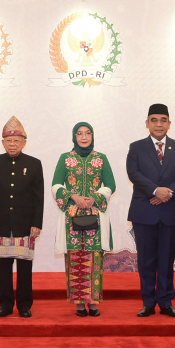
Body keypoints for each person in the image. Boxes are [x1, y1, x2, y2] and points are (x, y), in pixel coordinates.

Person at [126, 104, 175, 318]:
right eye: (154, 120)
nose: (158, 124)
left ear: (169, 124)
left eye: (163, 120)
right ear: (147, 124)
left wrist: (167, 192)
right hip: (144, 212)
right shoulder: (136, 147)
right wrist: (155, 190)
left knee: (166, 260)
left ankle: (165, 302)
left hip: (171, 212)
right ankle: (148, 303)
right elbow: (134, 173)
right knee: (146, 260)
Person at [52, 122, 116, 317]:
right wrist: (74, 197)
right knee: (75, 259)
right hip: (71, 216)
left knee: (95, 258)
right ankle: (79, 303)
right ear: (74, 136)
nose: (84, 136)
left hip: (95, 215)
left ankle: (93, 302)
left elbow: (111, 184)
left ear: (93, 136)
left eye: (88, 133)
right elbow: (56, 185)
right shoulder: (65, 158)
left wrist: (94, 198)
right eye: (79, 133)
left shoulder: (101, 159)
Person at [0, 116, 43, 318]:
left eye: (17, 140)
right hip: (1, 224)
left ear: (24, 142)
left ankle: (24, 305)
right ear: (2, 143)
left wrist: (36, 223)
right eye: (8, 141)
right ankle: (5, 305)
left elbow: (38, 198)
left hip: (25, 224)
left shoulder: (34, 164)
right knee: (4, 267)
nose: (12, 144)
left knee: (25, 267)